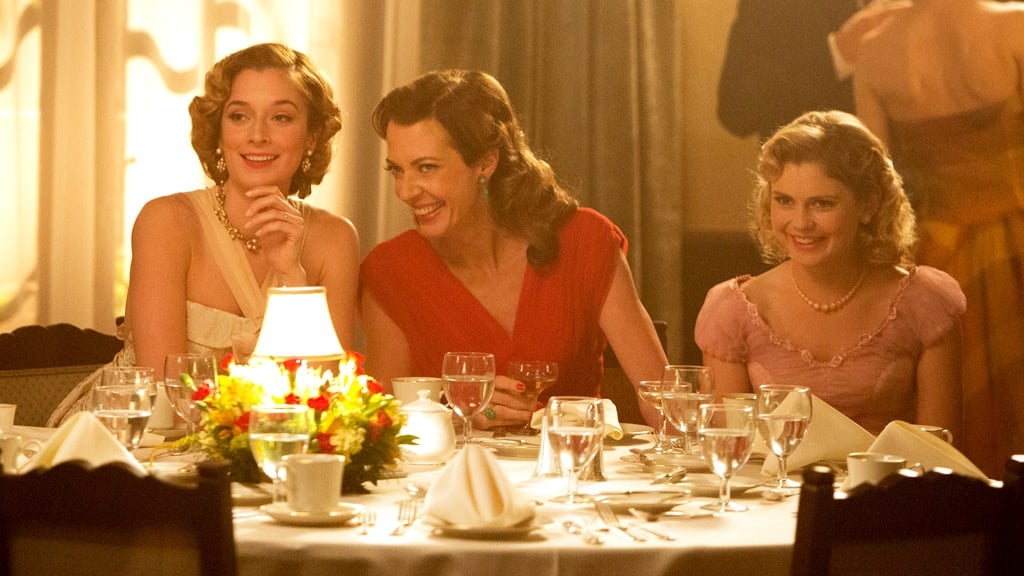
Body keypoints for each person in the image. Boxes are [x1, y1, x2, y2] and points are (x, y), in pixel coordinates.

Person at [48, 43, 359, 426]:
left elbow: (329, 401)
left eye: (280, 117)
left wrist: (292, 277)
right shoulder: (166, 222)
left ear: (311, 136)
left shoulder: (335, 239)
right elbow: (164, 399)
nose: (257, 135)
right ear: (219, 132)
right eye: (239, 116)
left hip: (269, 446)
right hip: (135, 434)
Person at [359, 69, 668, 430]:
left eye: (426, 168)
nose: (405, 191)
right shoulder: (390, 270)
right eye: (397, 170)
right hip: (453, 468)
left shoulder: (585, 241)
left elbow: (666, 404)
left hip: (573, 463)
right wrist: (462, 415)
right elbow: (381, 426)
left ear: (485, 163)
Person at [695, 110, 965, 440]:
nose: (800, 223)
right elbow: (730, 452)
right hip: (770, 477)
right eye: (784, 200)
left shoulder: (925, 302)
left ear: (869, 203)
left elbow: (940, 455)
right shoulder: (733, 309)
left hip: (896, 477)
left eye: (821, 204)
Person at [853, 0, 1024, 477]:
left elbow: (876, 184)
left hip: (935, 250)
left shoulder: (873, 50)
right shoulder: (1014, 25)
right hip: (1016, 243)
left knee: (945, 400)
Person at [717, 0, 910, 141]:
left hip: (915, 171)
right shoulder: (771, 6)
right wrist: (837, 54)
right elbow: (736, 112)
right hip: (814, 172)